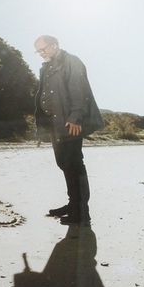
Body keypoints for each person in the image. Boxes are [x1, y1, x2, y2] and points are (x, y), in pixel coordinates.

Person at [33, 35, 104, 226]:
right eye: (38, 51)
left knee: (74, 165)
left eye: (44, 49)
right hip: (55, 125)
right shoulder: (46, 67)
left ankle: (81, 212)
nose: (42, 53)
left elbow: (79, 90)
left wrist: (76, 117)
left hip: (70, 123)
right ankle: (73, 204)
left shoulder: (71, 61)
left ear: (54, 45)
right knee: (64, 164)